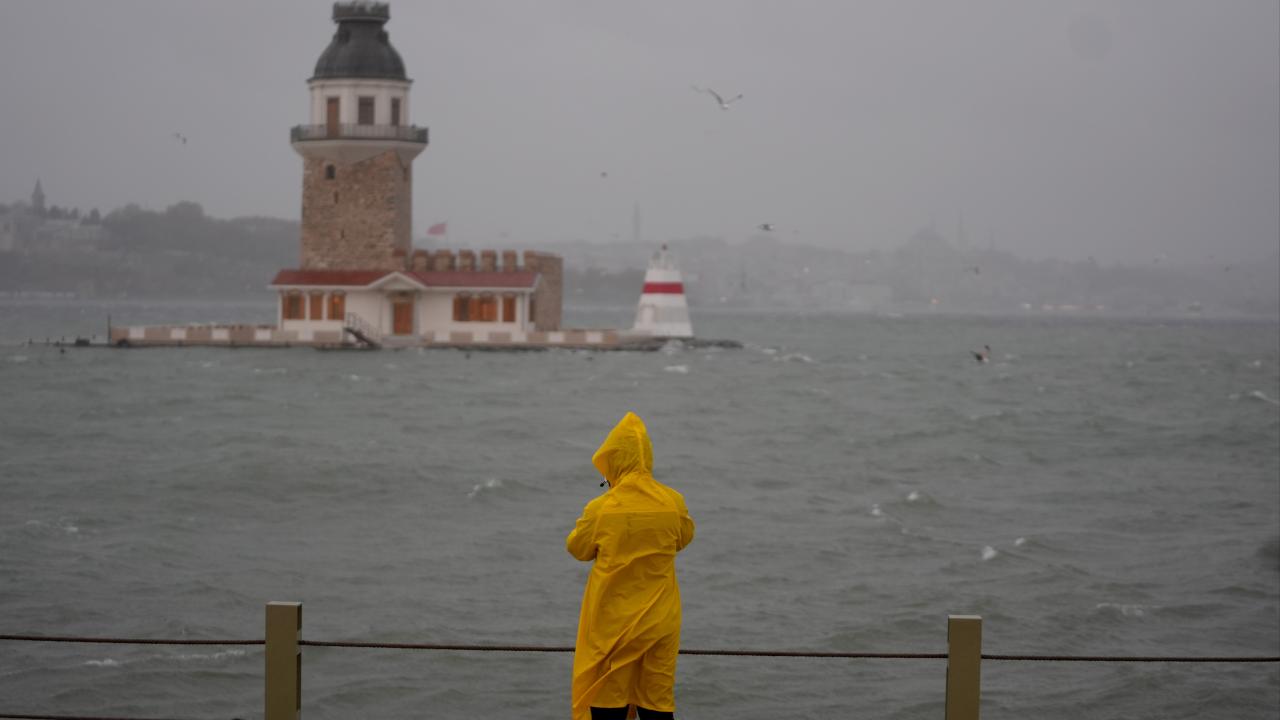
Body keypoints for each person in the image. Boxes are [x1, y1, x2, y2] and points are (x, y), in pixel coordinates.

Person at [567, 412, 696, 720]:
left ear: (612, 462)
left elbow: (578, 549)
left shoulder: (601, 509)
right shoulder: (673, 502)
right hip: (660, 621)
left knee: (608, 701)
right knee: (656, 702)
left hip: (612, 625)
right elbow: (683, 538)